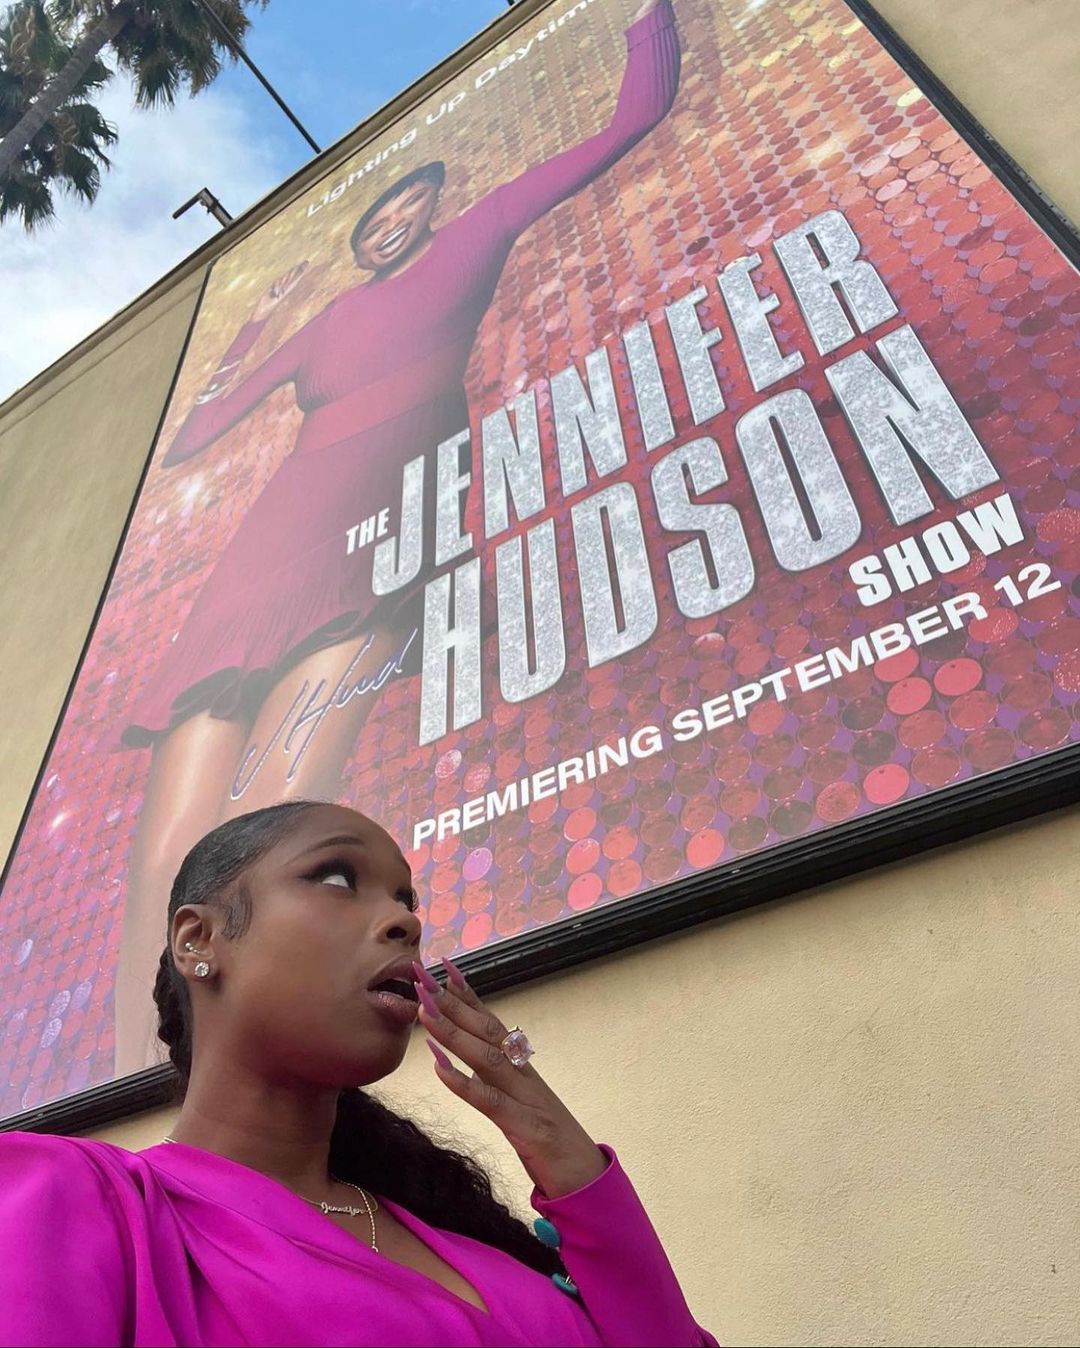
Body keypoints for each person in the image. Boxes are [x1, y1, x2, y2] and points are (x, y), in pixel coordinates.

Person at [112, 0, 684, 1078]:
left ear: (432, 214)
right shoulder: (325, 321)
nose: (392, 222)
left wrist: (648, 17)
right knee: (166, 859)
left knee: (273, 828)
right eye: (377, 214)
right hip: (260, 558)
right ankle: (136, 1089)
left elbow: (633, 117)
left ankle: (235, 1074)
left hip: (369, 542)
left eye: (410, 205)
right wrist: (246, 335)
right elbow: (192, 435)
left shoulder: (475, 234)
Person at [0, 801, 717, 1347]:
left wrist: (568, 1160)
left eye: (407, 901)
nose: (406, 923)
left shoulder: (476, 1246)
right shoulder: (86, 1206)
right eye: (338, 879)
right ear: (199, 941)